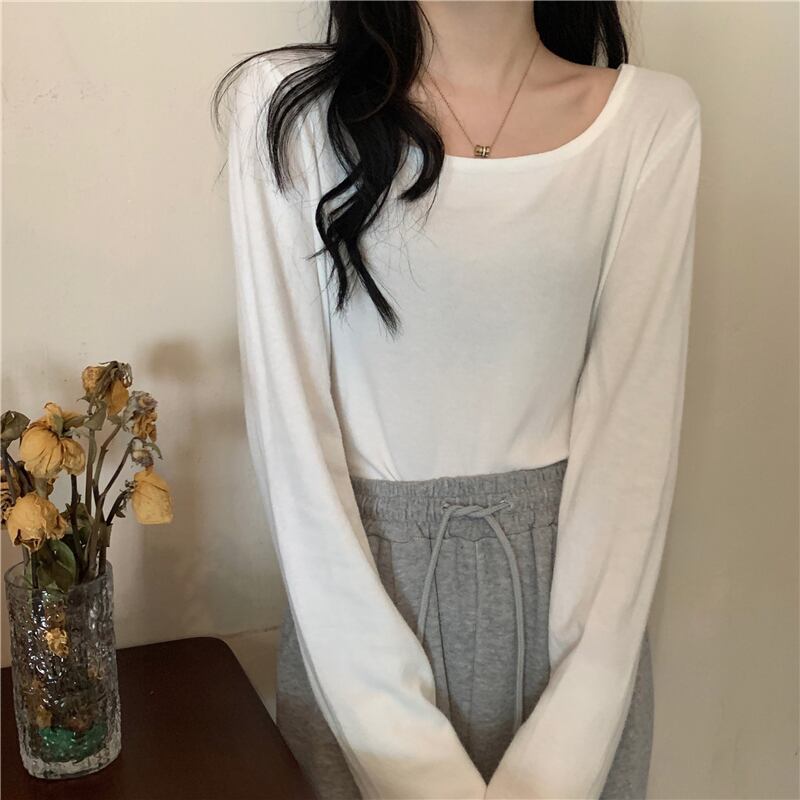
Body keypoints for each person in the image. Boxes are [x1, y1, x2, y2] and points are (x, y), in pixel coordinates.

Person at [216, 1, 702, 797]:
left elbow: (633, 444)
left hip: (574, 643)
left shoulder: (649, 120)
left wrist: (562, 758)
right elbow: (293, 451)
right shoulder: (286, 111)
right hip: (360, 621)